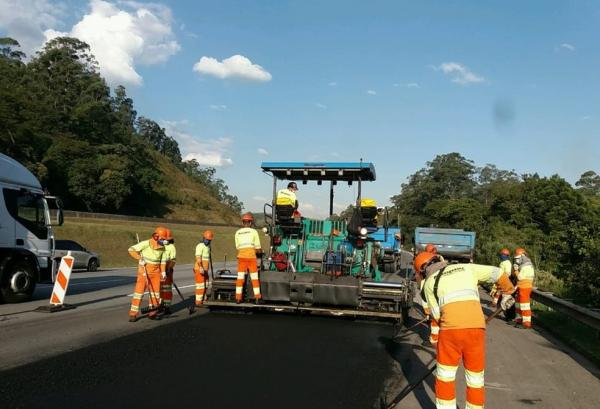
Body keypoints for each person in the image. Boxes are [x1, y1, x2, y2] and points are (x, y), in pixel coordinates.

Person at [414, 251, 515, 409]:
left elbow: (437, 316)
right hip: (476, 329)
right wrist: (508, 293)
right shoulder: (467, 268)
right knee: (475, 379)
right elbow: (498, 273)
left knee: (445, 377)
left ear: (423, 270)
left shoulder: (429, 284)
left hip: (450, 331)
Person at [128, 227, 168, 322]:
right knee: (139, 293)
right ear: (156, 237)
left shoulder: (163, 248)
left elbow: (162, 261)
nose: (164, 241)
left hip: (156, 272)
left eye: (164, 239)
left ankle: (152, 313)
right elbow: (131, 250)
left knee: (155, 293)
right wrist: (139, 258)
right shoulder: (146, 244)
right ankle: (133, 314)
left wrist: (163, 272)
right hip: (144, 271)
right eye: (163, 239)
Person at [234, 213, 263, 303]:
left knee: (240, 278)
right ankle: (257, 297)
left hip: (241, 257)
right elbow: (258, 248)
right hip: (251, 257)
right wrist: (260, 252)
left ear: (243, 222)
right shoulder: (254, 232)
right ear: (250, 223)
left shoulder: (237, 232)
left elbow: (238, 247)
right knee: (254, 278)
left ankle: (238, 298)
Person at [513, 247, 535, 329]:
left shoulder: (526, 266)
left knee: (525, 306)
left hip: (525, 288)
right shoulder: (525, 265)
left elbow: (520, 277)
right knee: (518, 305)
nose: (517, 260)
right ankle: (518, 320)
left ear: (522, 257)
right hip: (521, 287)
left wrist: (515, 270)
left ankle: (526, 324)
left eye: (518, 259)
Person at [194, 230, 214, 306]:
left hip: (205, 269)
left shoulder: (208, 247)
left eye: (209, 240)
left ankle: (204, 298)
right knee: (200, 286)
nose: (208, 241)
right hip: (199, 269)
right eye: (207, 240)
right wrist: (201, 267)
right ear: (203, 238)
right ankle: (198, 302)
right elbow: (198, 257)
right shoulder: (200, 246)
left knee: (206, 284)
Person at [160, 228, 176, 315]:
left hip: (167, 269)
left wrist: (169, 269)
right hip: (159, 270)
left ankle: (166, 306)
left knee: (166, 289)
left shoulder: (171, 247)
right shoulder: (159, 245)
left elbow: (173, 260)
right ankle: (160, 305)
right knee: (159, 289)